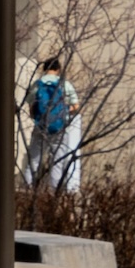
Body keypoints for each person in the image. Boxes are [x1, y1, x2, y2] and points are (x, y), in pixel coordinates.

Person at [24, 56, 79, 191]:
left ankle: (27, 189)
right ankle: (53, 192)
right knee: (57, 161)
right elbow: (76, 106)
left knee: (34, 160)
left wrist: (38, 117)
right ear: (58, 69)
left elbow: (31, 107)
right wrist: (64, 112)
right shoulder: (65, 84)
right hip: (59, 128)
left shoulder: (37, 84)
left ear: (44, 69)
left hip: (41, 126)